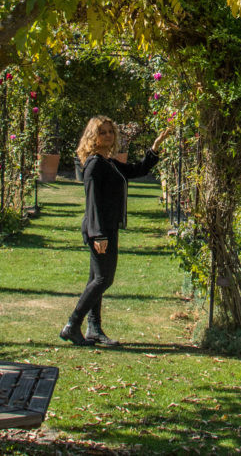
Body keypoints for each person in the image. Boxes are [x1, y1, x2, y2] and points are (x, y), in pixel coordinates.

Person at [60, 116, 172, 346]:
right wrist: (98, 235)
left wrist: (155, 147)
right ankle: (72, 324)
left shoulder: (108, 162)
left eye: (111, 132)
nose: (108, 136)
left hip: (107, 227)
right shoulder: (94, 165)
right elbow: (93, 203)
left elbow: (136, 169)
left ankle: (94, 328)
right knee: (103, 278)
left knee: (96, 278)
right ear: (93, 136)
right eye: (103, 132)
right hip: (99, 230)